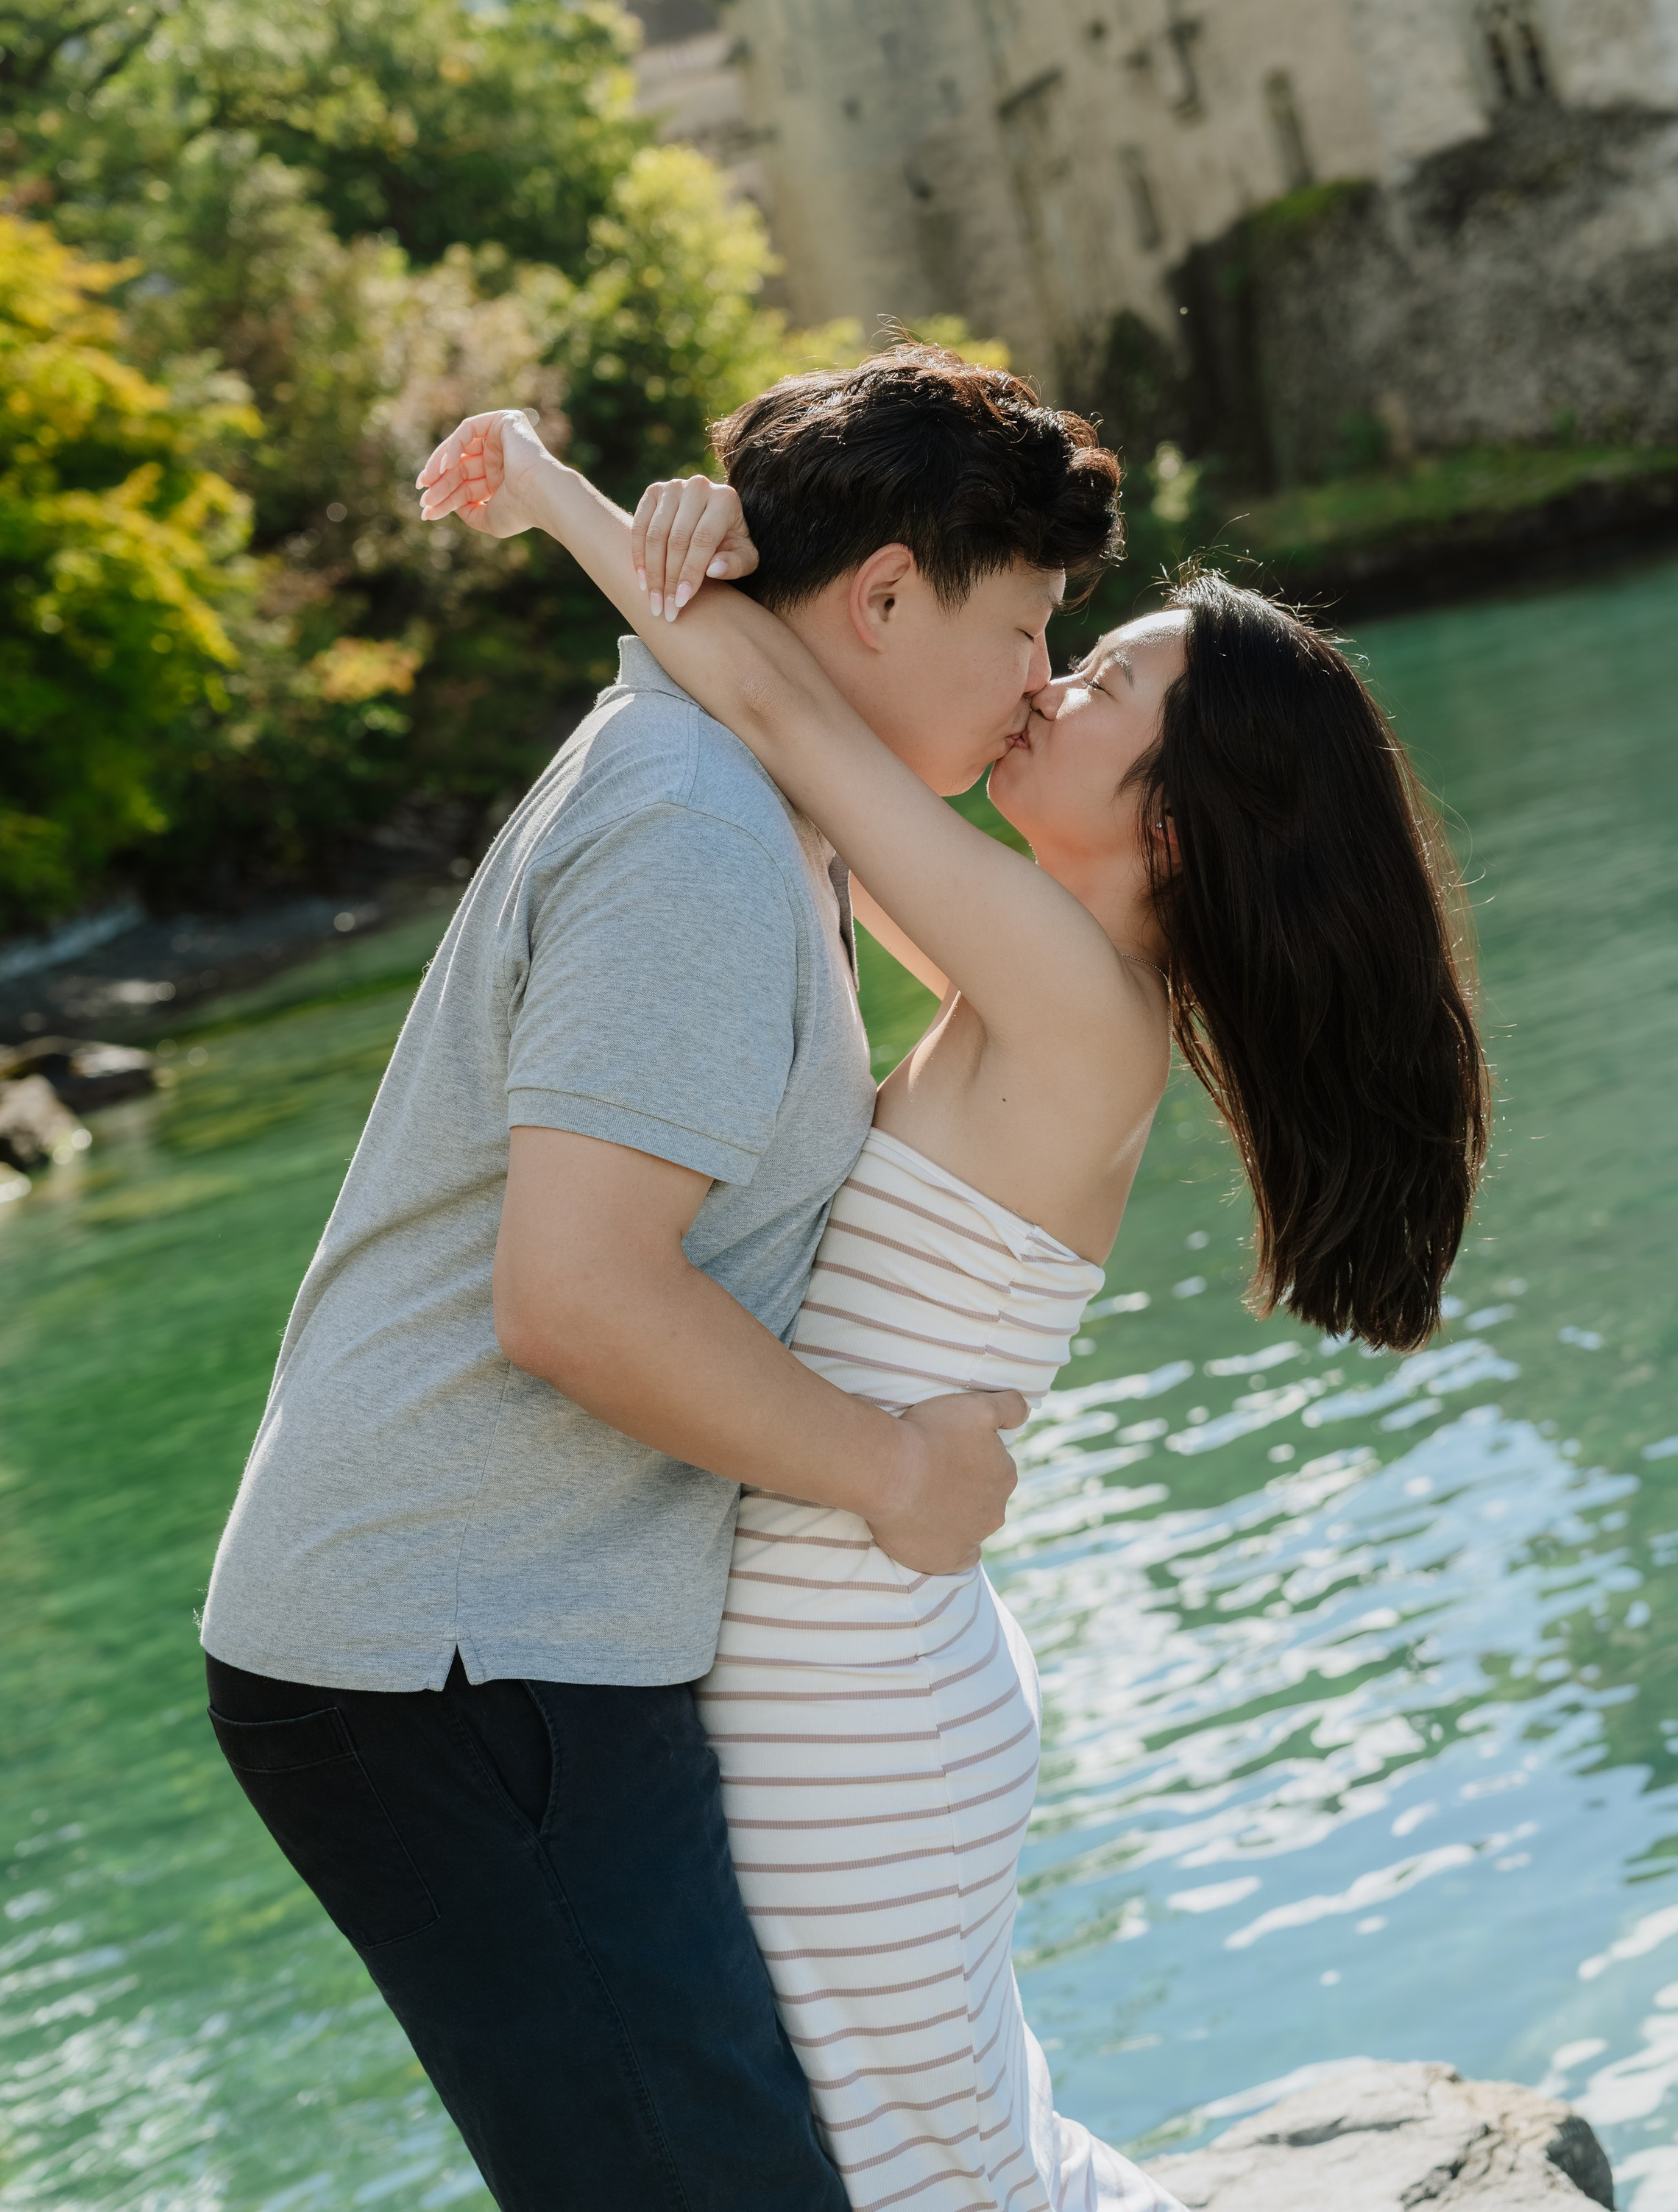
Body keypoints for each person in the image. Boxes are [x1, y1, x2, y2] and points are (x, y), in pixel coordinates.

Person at [415, 400, 1490, 2212]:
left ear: (1182, 808)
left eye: (1106, 685)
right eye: (1056, 648)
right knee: (929, 2157)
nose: (1048, 685)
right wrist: (672, 530)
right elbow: (806, 730)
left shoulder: (1073, 1004)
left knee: (918, 2175)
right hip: (852, 1661)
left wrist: (553, 494)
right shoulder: (1048, 980)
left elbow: (778, 718)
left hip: (847, 1689)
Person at [197, 347, 1125, 2212]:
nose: (1037, 680)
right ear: (880, 594)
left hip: (496, 1625)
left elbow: (763, 679)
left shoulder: (747, 793)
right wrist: (898, 1472)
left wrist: (566, 495)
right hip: (451, 1649)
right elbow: (580, 1300)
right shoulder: (697, 836)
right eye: (1023, 623)